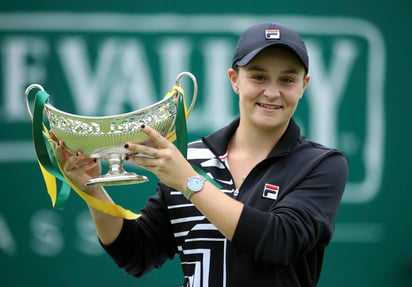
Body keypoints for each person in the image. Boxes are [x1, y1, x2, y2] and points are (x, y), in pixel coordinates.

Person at [55, 22, 348, 287]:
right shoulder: (191, 158)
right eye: (258, 77)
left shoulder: (321, 164)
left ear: (303, 86)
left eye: (286, 80)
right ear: (235, 79)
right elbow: (137, 254)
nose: (272, 92)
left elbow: (278, 241)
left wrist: (190, 183)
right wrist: (91, 188)